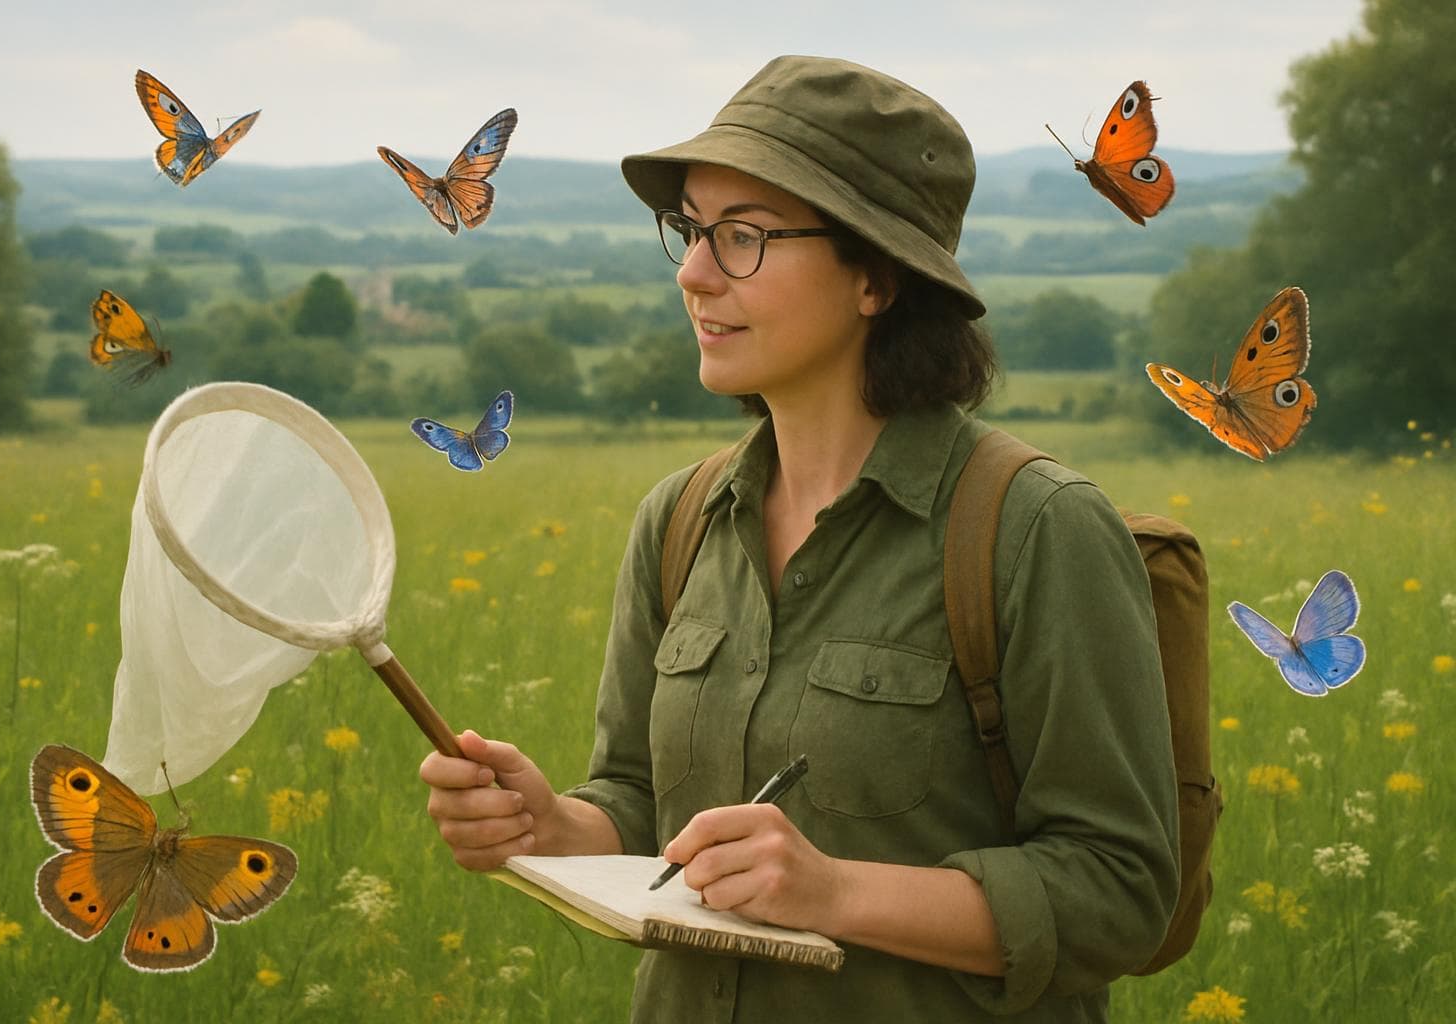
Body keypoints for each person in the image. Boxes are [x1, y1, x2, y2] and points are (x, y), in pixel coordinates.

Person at [421, 55, 1179, 1022]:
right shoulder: (681, 520)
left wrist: (831, 893)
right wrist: (553, 823)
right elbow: (641, 808)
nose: (694, 272)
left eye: (744, 237)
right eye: (691, 231)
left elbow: (1122, 893)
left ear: (876, 277)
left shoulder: (1035, 530)